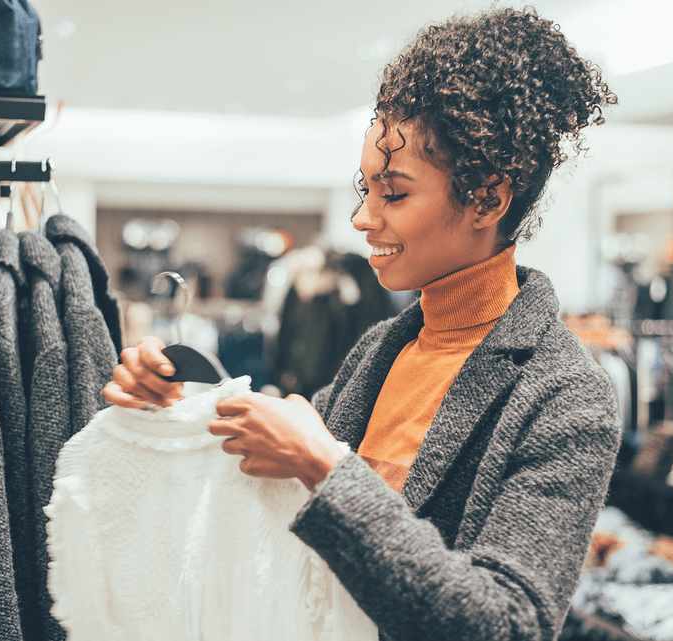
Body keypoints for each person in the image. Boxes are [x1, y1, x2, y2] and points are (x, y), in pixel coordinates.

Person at [103, 6, 620, 640]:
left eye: (393, 194)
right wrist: (177, 400)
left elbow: (506, 625)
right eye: (365, 188)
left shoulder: (566, 394)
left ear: (487, 196)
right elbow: (272, 476)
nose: (362, 219)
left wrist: (327, 468)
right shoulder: (383, 348)